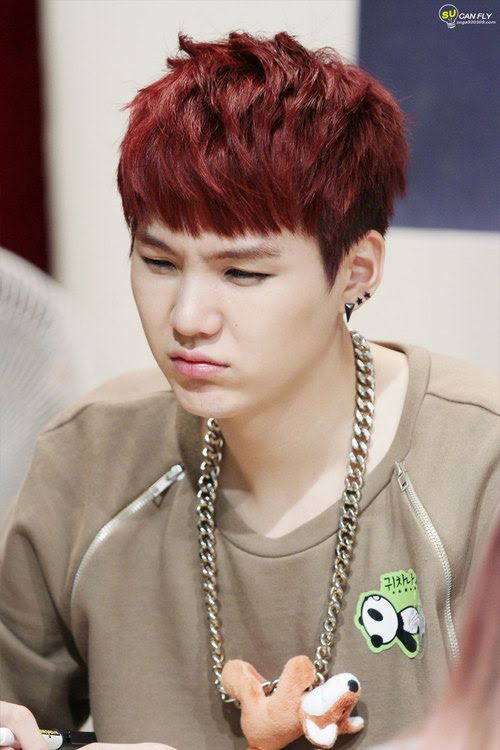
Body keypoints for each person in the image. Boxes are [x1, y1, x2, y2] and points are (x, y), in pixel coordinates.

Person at [0, 31, 498, 750]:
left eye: (243, 274)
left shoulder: (478, 466)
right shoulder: (90, 454)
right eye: (158, 261)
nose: (187, 318)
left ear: (356, 271)